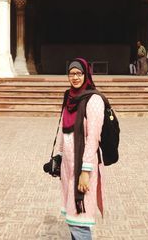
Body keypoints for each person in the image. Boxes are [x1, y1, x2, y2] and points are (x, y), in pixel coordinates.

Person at [52, 58, 106, 239]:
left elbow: (93, 138)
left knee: (80, 217)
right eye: (71, 73)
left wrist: (85, 170)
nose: (74, 77)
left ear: (86, 74)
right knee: (72, 217)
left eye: (78, 73)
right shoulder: (69, 97)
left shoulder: (94, 99)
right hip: (68, 166)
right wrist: (58, 157)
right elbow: (63, 130)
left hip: (83, 167)